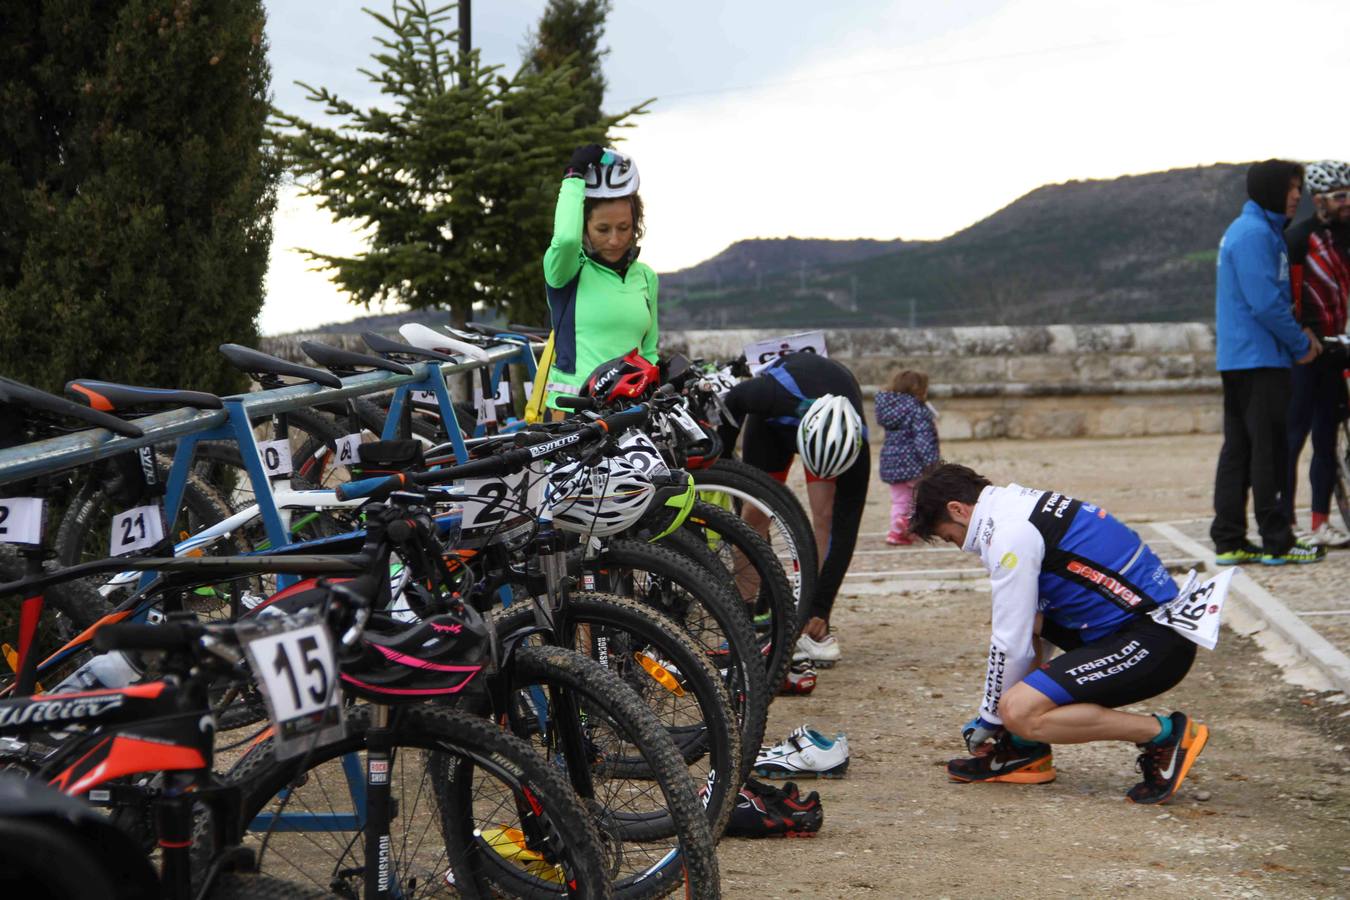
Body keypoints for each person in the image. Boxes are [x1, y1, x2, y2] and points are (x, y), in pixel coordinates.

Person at [909, 463, 1209, 805]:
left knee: (1020, 710)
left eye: (952, 537)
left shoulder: (1008, 532)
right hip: (1147, 626)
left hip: (1155, 641)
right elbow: (1029, 625)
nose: (962, 547)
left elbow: (1010, 642)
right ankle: (1025, 750)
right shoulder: (1017, 504)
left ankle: (1165, 736)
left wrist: (991, 717)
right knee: (1029, 627)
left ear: (957, 510)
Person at [719, 352, 870, 665]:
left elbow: (844, 532)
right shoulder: (767, 396)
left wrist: (819, 608)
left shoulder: (856, 446)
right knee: (753, 515)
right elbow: (732, 401)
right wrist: (719, 465)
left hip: (830, 433)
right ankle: (743, 613)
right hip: (775, 422)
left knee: (824, 516)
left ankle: (805, 618)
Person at [1211, 159, 1324, 566]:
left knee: (1238, 450)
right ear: (1271, 188)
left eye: (1299, 188)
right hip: (1262, 359)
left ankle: (1229, 539)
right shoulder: (1257, 234)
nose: (1298, 195)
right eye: (1291, 188)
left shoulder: (1249, 230)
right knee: (1270, 450)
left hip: (1239, 358)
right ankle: (1277, 541)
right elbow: (1266, 304)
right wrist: (1300, 344)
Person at [541, 144, 658, 411]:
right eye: (603, 229)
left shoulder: (646, 277)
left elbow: (649, 352)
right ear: (584, 225)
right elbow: (566, 240)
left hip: (630, 414)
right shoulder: (567, 270)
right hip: (573, 415)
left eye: (624, 227)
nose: (615, 239)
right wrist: (572, 177)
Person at [1284, 160, 1350, 547]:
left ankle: (1320, 522)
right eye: (1340, 197)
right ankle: (1284, 521)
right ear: (1318, 200)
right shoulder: (1299, 239)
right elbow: (1289, 295)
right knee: (1293, 439)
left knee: (1327, 439)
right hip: (1306, 352)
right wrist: (1302, 335)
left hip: (1338, 348)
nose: (1347, 204)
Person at [875, 369, 939, 546]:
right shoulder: (917, 410)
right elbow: (923, 439)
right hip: (914, 463)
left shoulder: (889, 409)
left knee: (899, 499)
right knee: (918, 497)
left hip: (892, 463)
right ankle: (908, 524)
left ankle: (896, 532)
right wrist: (931, 463)